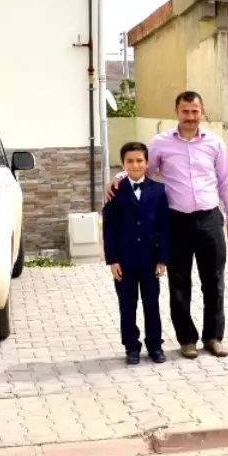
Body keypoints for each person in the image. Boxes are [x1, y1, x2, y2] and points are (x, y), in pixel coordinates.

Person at [105, 91, 228, 359]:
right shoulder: (161, 143)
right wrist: (118, 178)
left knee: (214, 282)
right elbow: (141, 166)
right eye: (185, 111)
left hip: (210, 219)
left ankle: (213, 337)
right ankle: (187, 340)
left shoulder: (215, 143)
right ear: (177, 112)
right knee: (179, 283)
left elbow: (225, 182)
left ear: (203, 113)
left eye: (194, 111)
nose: (190, 117)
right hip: (176, 221)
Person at [102, 142, 170, 365]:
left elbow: (164, 226)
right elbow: (109, 228)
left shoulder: (158, 191)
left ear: (147, 162)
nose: (135, 165)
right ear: (123, 164)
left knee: (151, 303)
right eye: (130, 161)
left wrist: (162, 258)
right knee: (127, 305)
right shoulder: (115, 191)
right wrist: (112, 260)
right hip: (125, 259)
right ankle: (131, 346)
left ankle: (155, 346)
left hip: (150, 260)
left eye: (140, 160)